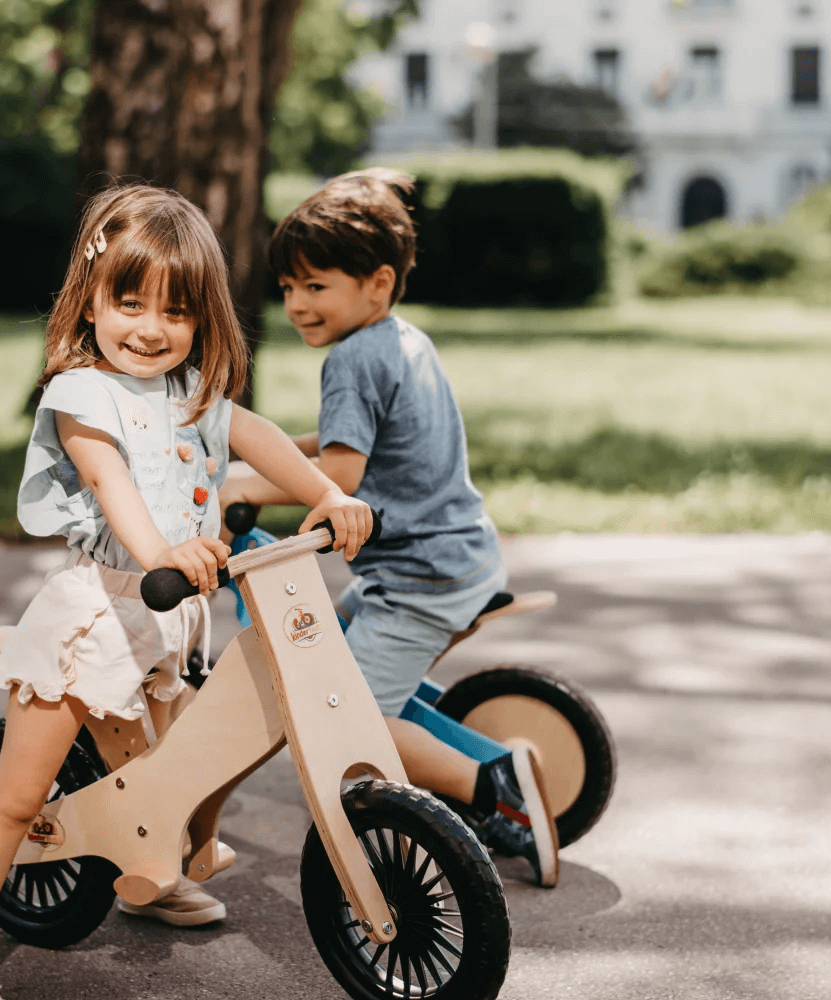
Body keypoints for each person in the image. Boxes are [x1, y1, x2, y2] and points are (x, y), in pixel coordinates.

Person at [0, 184, 374, 1000]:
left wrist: (325, 493)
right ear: (89, 301)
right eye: (128, 302)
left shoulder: (190, 391)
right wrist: (164, 549)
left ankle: (151, 869)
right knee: (19, 793)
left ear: (202, 320)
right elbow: (110, 483)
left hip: (170, 616)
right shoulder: (80, 395)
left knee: (165, 768)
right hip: (96, 611)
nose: (149, 328)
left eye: (175, 311)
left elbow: (258, 435)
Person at [221, 169, 559, 890]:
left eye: (316, 287)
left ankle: (496, 787)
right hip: (462, 558)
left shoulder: (350, 359)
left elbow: (341, 478)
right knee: (332, 660)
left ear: (375, 283)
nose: (296, 305)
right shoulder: (401, 340)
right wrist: (285, 450)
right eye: (288, 288)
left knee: (349, 718)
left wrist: (248, 486)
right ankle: (474, 757)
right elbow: (352, 441)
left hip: (417, 583)